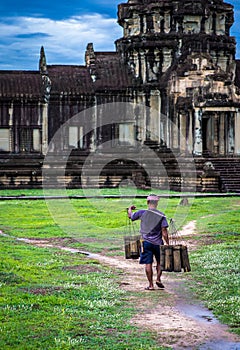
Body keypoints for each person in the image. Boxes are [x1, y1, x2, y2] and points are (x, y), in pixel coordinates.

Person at [128, 194, 169, 290]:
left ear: (147, 202)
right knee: (160, 262)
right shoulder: (161, 215)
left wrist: (130, 209)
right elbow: (164, 232)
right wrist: (167, 243)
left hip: (146, 243)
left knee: (148, 263)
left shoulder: (142, 213)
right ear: (157, 203)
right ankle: (158, 279)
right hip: (158, 243)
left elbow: (131, 216)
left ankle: (151, 285)